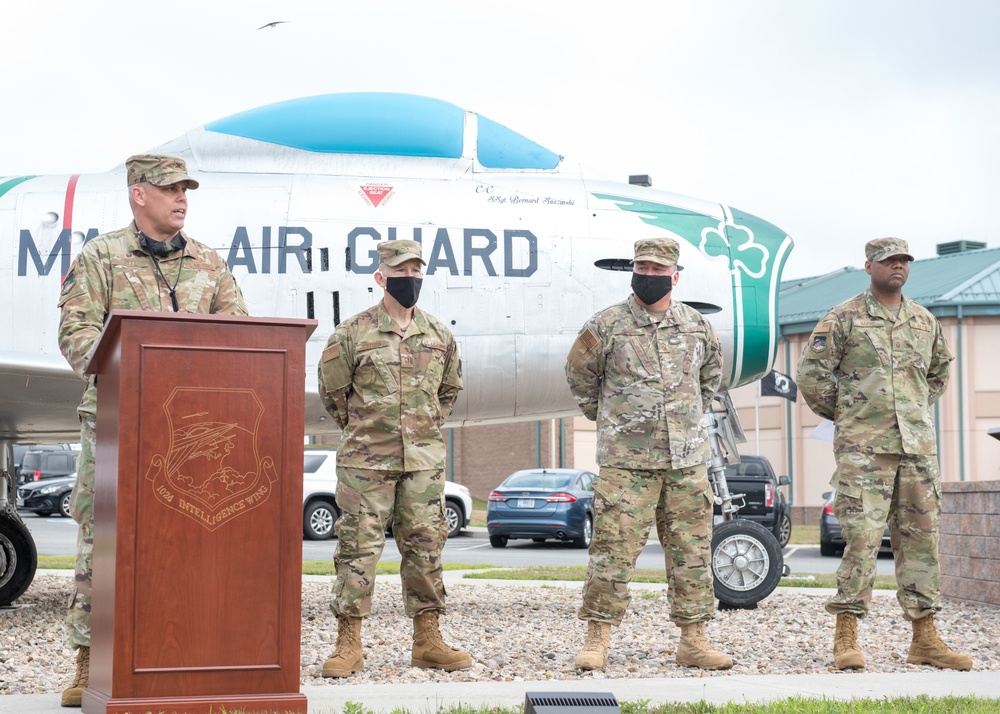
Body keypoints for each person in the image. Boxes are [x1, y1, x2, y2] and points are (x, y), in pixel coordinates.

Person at [56, 154, 248, 707]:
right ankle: (88, 663)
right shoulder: (101, 256)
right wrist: (130, 366)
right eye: (169, 190)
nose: (181, 198)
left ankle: (181, 656)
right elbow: (76, 334)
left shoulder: (209, 262)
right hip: (120, 423)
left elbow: (240, 334)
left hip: (198, 429)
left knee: (187, 539)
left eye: (185, 189)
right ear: (138, 194)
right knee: (104, 540)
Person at [797, 237, 972, 672]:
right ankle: (847, 636)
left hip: (916, 450)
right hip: (865, 452)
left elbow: (937, 374)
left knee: (921, 541)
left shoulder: (923, 320)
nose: (897, 267)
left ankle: (925, 638)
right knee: (861, 539)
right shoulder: (843, 318)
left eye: (903, 261)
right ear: (868, 266)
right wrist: (850, 413)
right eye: (888, 261)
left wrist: (910, 411)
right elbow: (812, 375)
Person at [564, 237, 731, 671]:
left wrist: (684, 418)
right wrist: (615, 420)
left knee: (692, 553)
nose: (650, 276)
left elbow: (710, 378)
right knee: (612, 551)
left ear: (675, 275)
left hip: (686, 462)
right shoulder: (606, 325)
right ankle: (597, 638)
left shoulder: (696, 326)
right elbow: (580, 377)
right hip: (626, 463)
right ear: (633, 271)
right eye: (643, 268)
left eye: (659, 270)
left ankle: (693, 639)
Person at [316, 239, 470, 677]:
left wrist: (420, 431)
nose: (410, 280)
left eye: (417, 272)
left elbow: (448, 392)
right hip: (366, 462)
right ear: (381, 276)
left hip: (422, 462)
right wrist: (369, 432)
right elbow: (333, 395)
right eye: (401, 272)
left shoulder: (439, 334)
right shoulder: (351, 334)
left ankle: (428, 639)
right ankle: (349, 643)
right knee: (357, 550)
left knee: (425, 547)